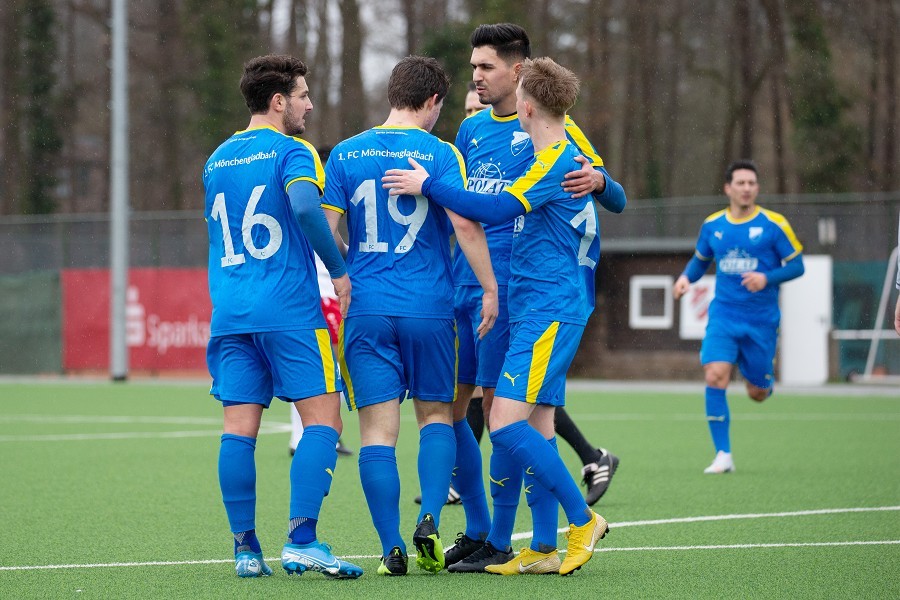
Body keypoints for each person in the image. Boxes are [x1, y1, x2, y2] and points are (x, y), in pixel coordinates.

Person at [384, 56, 616, 577]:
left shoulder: (553, 160)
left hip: (548, 308)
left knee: (503, 422)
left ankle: (582, 520)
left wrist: (428, 185)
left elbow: (491, 211)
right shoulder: (564, 154)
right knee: (535, 421)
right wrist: (602, 182)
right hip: (542, 304)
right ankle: (542, 546)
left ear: (526, 104)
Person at [322, 56, 499, 576]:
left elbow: (328, 228)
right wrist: (489, 287)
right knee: (436, 418)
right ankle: (428, 518)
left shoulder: (347, 153)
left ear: (391, 93)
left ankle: (390, 549)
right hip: (429, 308)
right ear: (434, 102)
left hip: (368, 309)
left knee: (378, 433)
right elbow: (466, 226)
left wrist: (348, 266)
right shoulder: (441, 153)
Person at [203, 54, 362, 580]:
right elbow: (302, 207)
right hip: (288, 309)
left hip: (230, 310)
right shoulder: (293, 150)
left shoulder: (217, 158)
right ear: (278, 102)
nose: (309, 104)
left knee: (238, 431)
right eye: (302, 95)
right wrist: (337, 269)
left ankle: (246, 551)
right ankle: (302, 540)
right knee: (325, 420)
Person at [672, 159, 805, 474]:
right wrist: (685, 279)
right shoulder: (712, 226)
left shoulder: (774, 225)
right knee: (715, 375)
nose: (746, 188)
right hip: (724, 317)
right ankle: (723, 455)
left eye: (751, 183)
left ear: (757, 188)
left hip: (761, 321)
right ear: (728, 188)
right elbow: (700, 261)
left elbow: (798, 265)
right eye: (741, 183)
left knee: (757, 393)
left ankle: (763, 380)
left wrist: (767, 278)